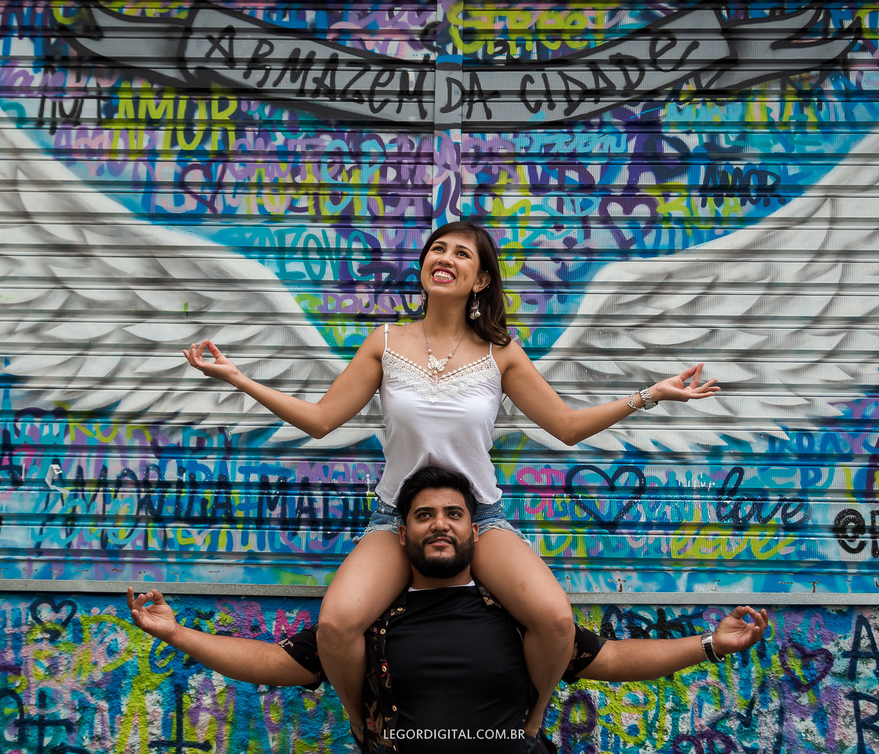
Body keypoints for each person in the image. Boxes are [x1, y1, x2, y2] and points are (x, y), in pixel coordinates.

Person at [182, 222, 721, 741]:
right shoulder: (385, 342)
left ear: (481, 279)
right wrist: (237, 378)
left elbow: (566, 426)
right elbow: (321, 420)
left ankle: (530, 721)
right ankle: (362, 723)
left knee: (556, 620)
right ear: (424, 267)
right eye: (438, 249)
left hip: (478, 516)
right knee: (336, 626)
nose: (446, 259)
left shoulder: (500, 352)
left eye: (463, 254)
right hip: (398, 516)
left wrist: (650, 395)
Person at [128, 467, 770, 753]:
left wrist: (710, 646)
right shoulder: (372, 620)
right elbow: (277, 664)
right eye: (424, 515)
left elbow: (613, 660)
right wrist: (176, 633)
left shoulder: (512, 612)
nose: (440, 524)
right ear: (402, 534)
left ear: (475, 532)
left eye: (454, 514)